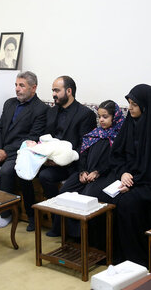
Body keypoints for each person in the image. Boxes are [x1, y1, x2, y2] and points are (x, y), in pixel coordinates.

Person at [94, 84, 151, 266]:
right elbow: (117, 155)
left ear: (146, 105)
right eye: (129, 103)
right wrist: (124, 173)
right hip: (130, 178)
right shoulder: (130, 124)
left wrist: (133, 182)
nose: (130, 108)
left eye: (134, 104)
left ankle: (137, 259)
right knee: (102, 197)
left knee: (129, 204)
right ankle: (111, 253)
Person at [0, 71, 48, 230]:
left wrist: (6, 152)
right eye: (16, 85)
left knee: (6, 171)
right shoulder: (9, 103)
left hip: (19, 152)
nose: (17, 89)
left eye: (22, 86)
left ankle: (5, 213)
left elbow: (32, 137)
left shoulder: (41, 109)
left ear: (33, 88)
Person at [48, 100, 124, 237]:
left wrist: (97, 172)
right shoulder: (94, 133)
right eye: (99, 116)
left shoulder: (119, 136)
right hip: (86, 172)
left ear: (115, 117)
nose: (101, 120)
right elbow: (83, 154)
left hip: (107, 175)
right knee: (65, 191)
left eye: (105, 117)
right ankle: (61, 230)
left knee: (88, 195)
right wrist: (83, 171)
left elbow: (116, 161)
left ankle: (81, 237)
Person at [38, 76, 97, 201]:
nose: (53, 94)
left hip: (71, 164)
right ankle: (33, 214)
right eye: (53, 90)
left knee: (44, 176)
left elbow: (85, 145)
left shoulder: (86, 114)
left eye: (57, 90)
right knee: (20, 171)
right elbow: (45, 137)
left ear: (69, 91)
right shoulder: (51, 111)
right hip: (49, 160)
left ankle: (57, 214)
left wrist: (62, 159)